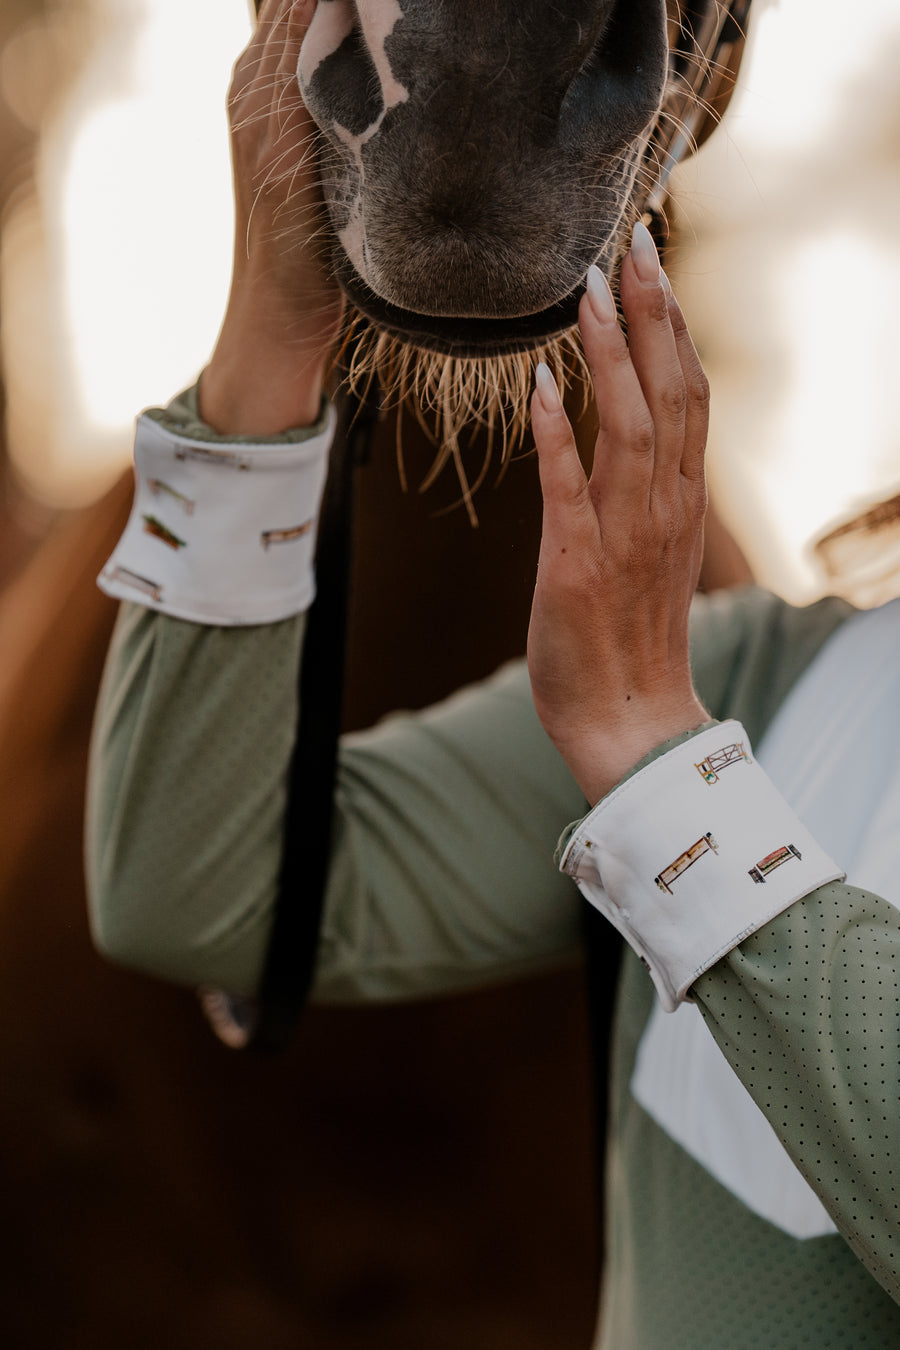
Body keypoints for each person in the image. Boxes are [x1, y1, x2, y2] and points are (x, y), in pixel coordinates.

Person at [86, 3, 900, 1345]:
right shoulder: (762, 678)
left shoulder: (681, 724)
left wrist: (656, 765)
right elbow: (204, 898)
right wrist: (267, 350)